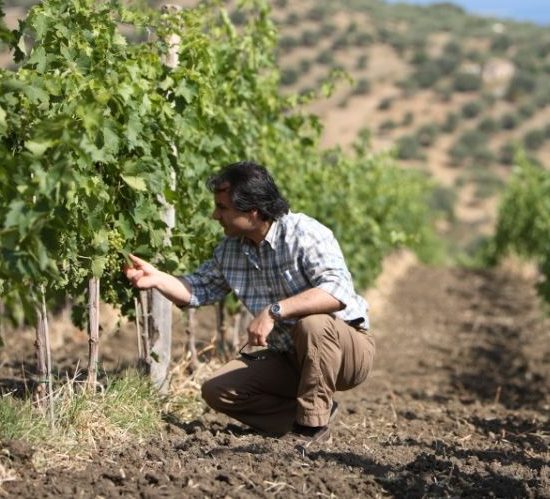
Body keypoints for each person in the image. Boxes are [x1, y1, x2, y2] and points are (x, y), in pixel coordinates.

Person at [124, 161, 375, 443]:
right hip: (292, 358)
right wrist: (157, 278)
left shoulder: (305, 233)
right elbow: (198, 288)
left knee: (313, 324)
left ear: (252, 211)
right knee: (218, 390)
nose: (215, 215)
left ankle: (311, 429)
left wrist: (274, 311)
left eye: (222, 208)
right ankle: (307, 415)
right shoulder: (231, 250)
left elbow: (336, 292)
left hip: (346, 352)